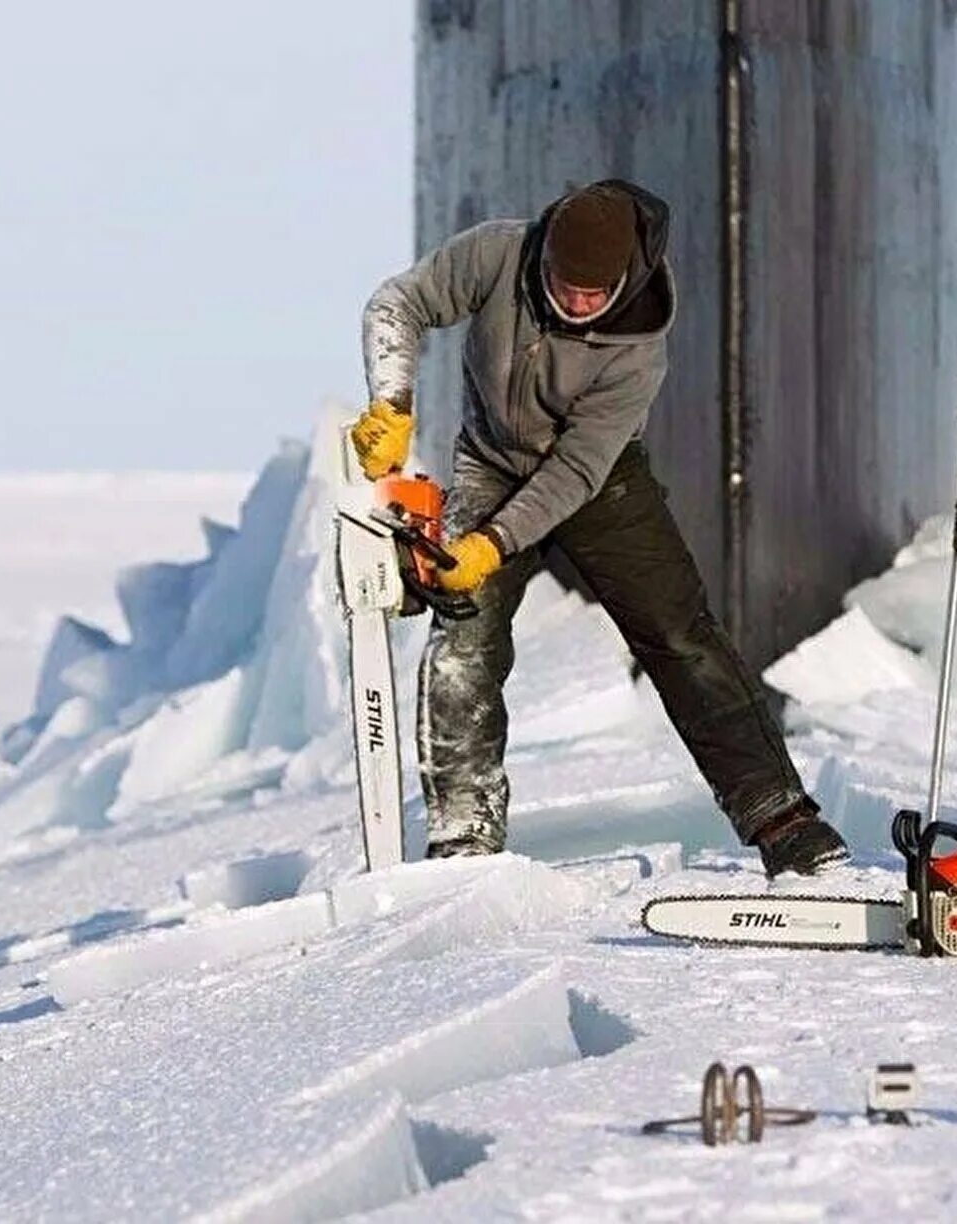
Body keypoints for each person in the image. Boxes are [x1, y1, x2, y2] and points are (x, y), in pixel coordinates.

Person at [350, 178, 847, 877]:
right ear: (544, 256)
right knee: (464, 643)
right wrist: (392, 400)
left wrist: (491, 544)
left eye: (593, 292)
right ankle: (463, 834)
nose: (575, 301)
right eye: (561, 283)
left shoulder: (639, 345)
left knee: (679, 636)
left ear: (623, 280)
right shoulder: (499, 253)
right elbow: (395, 302)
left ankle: (782, 819)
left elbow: (576, 471)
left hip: (601, 482)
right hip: (490, 464)